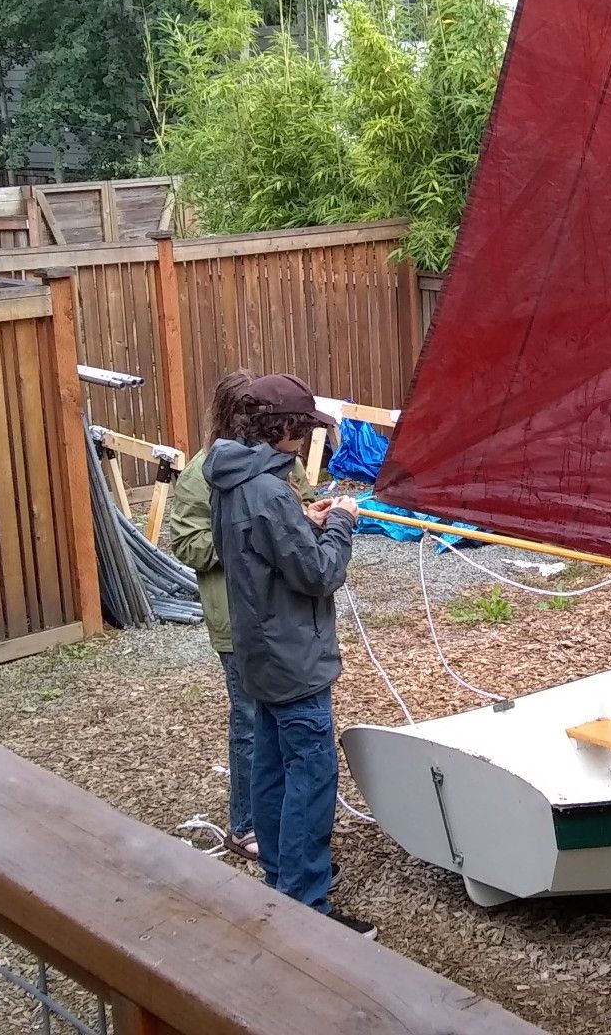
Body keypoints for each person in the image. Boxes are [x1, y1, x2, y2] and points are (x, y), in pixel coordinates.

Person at [204, 373, 375, 939]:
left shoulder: (231, 480)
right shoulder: (271, 492)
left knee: (271, 770)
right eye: (302, 427)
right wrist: (343, 524)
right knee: (311, 774)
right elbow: (320, 574)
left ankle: (282, 882)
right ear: (283, 429)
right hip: (293, 658)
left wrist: (307, 522)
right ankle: (307, 905)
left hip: (258, 650)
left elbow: (264, 547)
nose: (305, 438)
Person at [167, 369, 263, 861]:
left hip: (281, 616)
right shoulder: (198, 475)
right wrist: (247, 536)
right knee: (248, 719)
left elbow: (302, 505)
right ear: (228, 415)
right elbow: (186, 543)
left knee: (286, 717)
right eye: (249, 413)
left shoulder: (278, 463)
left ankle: (280, 809)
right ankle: (244, 824)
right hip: (235, 618)